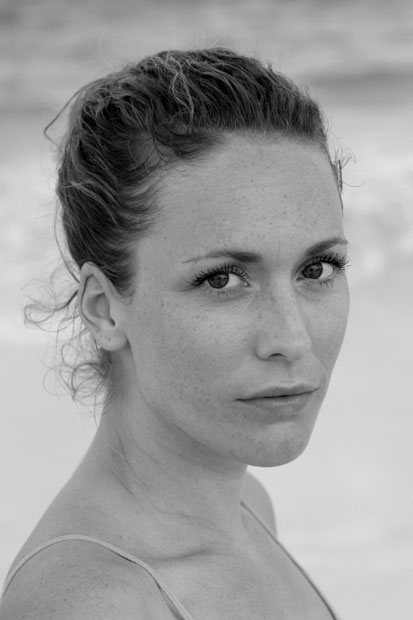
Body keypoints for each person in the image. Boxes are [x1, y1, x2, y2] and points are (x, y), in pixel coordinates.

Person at [0, 47, 350, 619]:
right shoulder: (93, 605)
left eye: (317, 269)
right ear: (104, 310)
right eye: (223, 279)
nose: (293, 339)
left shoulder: (248, 507)